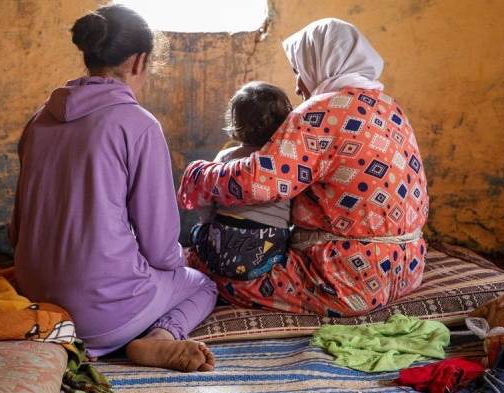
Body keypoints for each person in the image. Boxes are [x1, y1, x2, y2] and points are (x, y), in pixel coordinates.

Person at [10, 5, 217, 372]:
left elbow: (17, 228)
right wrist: (178, 261)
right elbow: (160, 250)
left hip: (35, 301)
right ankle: (160, 337)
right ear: (139, 61)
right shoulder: (138, 124)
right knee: (201, 284)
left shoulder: (39, 118)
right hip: (99, 315)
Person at [178, 18, 429, 317]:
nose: (298, 86)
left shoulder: (324, 110)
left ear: (322, 62)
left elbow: (259, 181)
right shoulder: (389, 107)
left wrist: (198, 175)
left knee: (213, 270)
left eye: (299, 71)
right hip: (406, 269)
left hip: (347, 279)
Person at [191, 81, 293, 281]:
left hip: (220, 252)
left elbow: (206, 202)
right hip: (267, 254)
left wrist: (207, 225)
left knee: (198, 231)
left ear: (235, 121)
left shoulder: (226, 157)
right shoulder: (285, 161)